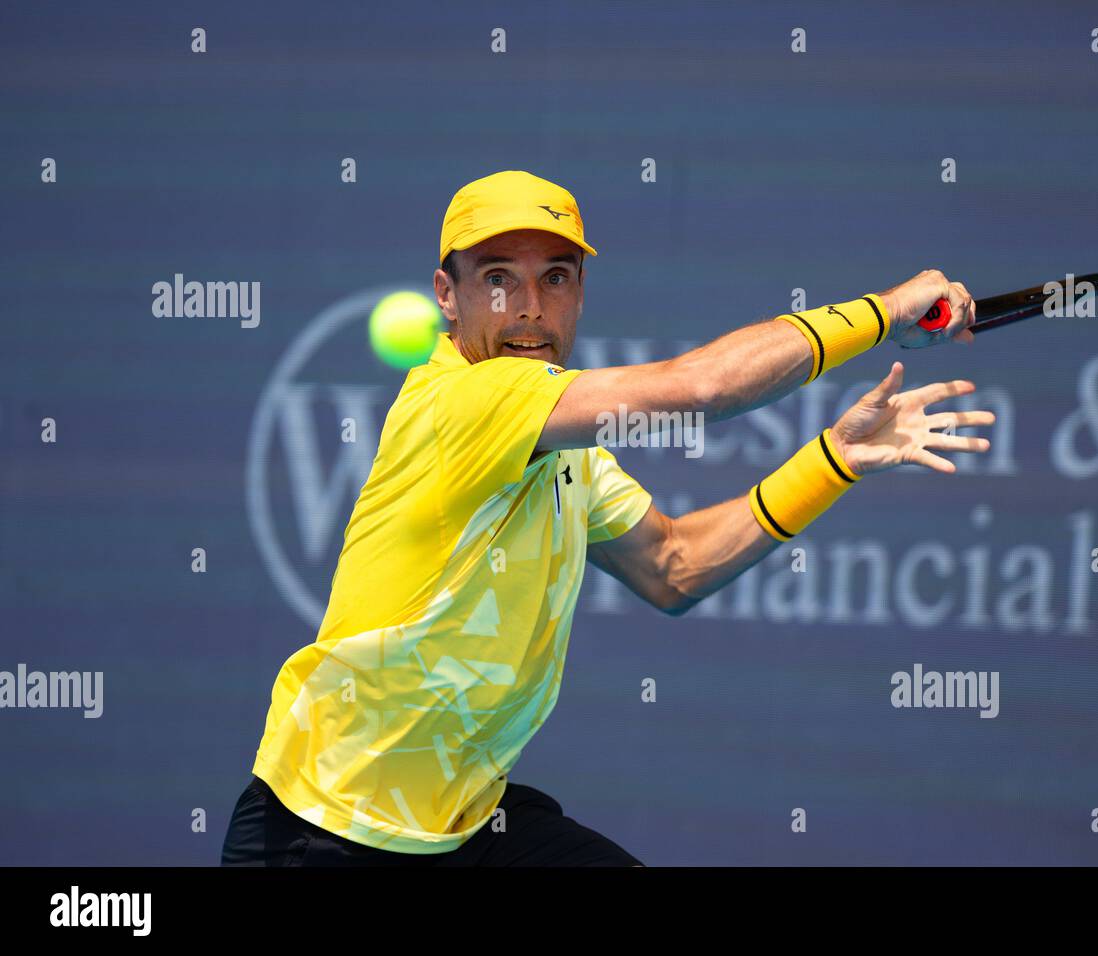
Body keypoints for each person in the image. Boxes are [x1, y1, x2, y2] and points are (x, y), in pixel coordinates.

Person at [221, 169, 991, 867]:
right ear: (446, 297)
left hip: (463, 824)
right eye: (497, 279)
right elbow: (703, 389)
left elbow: (674, 566)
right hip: (320, 833)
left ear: (580, 294)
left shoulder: (566, 451)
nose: (528, 307)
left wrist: (832, 460)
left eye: (555, 278)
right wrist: (887, 311)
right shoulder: (464, 399)